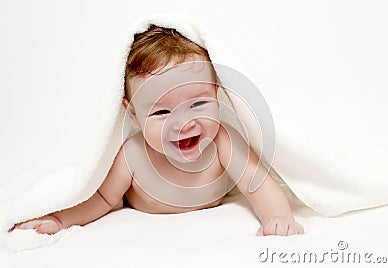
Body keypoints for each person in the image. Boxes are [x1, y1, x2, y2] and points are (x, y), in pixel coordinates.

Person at [10, 24, 304, 236]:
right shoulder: (133, 155)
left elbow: (258, 183)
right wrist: (60, 220)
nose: (183, 122)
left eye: (198, 103)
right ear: (134, 114)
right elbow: (101, 199)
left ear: (217, 94)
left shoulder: (223, 142)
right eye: (162, 111)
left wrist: (277, 217)